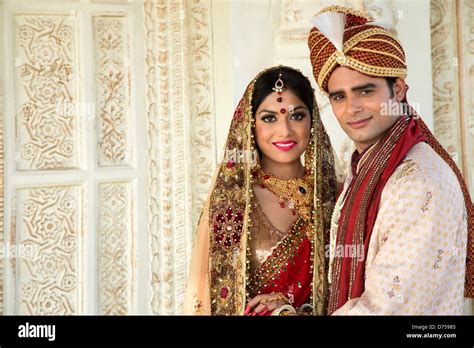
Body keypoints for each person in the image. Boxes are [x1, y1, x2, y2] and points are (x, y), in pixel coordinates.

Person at [308, 5, 473, 314]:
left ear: (397, 89)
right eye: (339, 96)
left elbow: (385, 309)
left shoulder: (418, 183)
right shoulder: (366, 166)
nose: (351, 108)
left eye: (365, 91)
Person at [183, 66, 337, 315]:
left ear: (313, 121)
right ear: (250, 124)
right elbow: (215, 299)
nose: (285, 130)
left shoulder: (335, 197)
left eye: (297, 116)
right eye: (269, 118)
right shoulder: (233, 202)